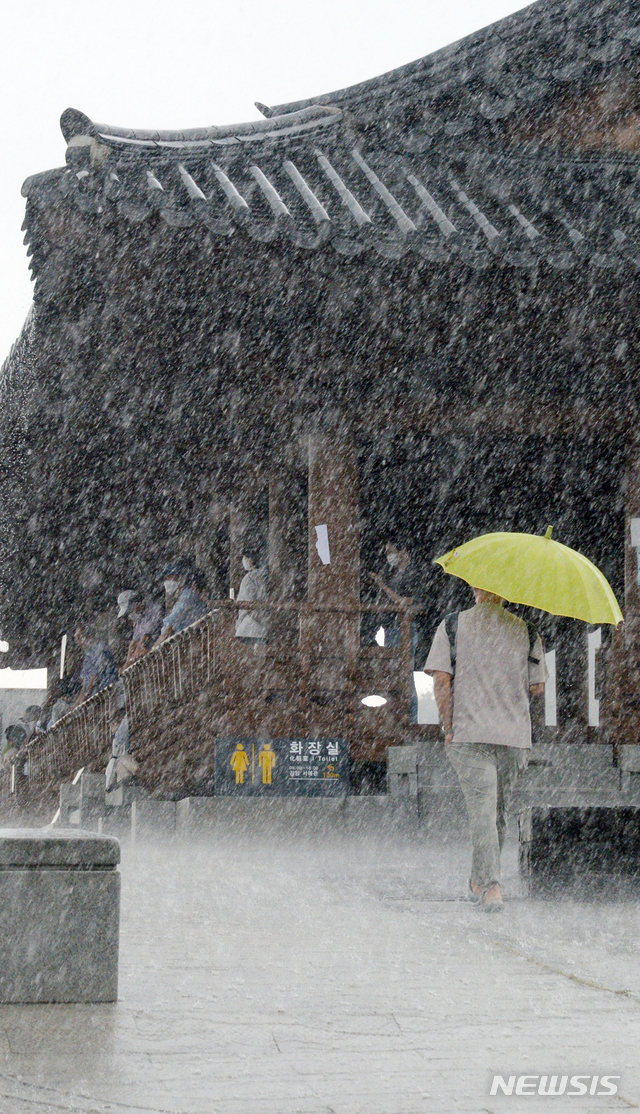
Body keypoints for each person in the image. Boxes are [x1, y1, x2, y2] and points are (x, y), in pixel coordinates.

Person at [425, 587, 546, 911]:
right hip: (512, 736)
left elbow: (440, 681)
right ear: (508, 592)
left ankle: (486, 883)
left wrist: (448, 727)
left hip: (469, 734)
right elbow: (537, 688)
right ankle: (485, 883)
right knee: (497, 813)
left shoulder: (452, 625)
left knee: (483, 811)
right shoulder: (527, 630)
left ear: (475, 588)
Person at [153, 559, 208, 647]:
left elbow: (171, 624)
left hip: (193, 644)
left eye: (169, 577)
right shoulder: (182, 597)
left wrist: (154, 648)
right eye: (165, 579)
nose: (166, 581)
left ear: (181, 578)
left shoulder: (188, 597)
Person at [73, 621, 119, 706]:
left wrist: (85, 697)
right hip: (97, 697)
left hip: (107, 694)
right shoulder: (88, 655)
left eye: (79, 638)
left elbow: (94, 678)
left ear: (88, 636)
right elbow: (85, 684)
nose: (78, 643)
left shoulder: (100, 650)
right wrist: (77, 703)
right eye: (77, 639)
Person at [117, 590, 163, 667]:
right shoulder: (140, 619)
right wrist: (127, 662)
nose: (131, 612)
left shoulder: (155, 610)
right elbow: (134, 642)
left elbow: (146, 637)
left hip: (159, 653)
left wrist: (134, 657)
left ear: (136, 602)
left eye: (130, 609)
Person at [235, 552, 267, 641]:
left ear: (251, 560)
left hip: (249, 627)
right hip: (261, 626)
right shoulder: (262, 576)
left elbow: (246, 602)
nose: (243, 561)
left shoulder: (249, 578)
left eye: (245, 558)